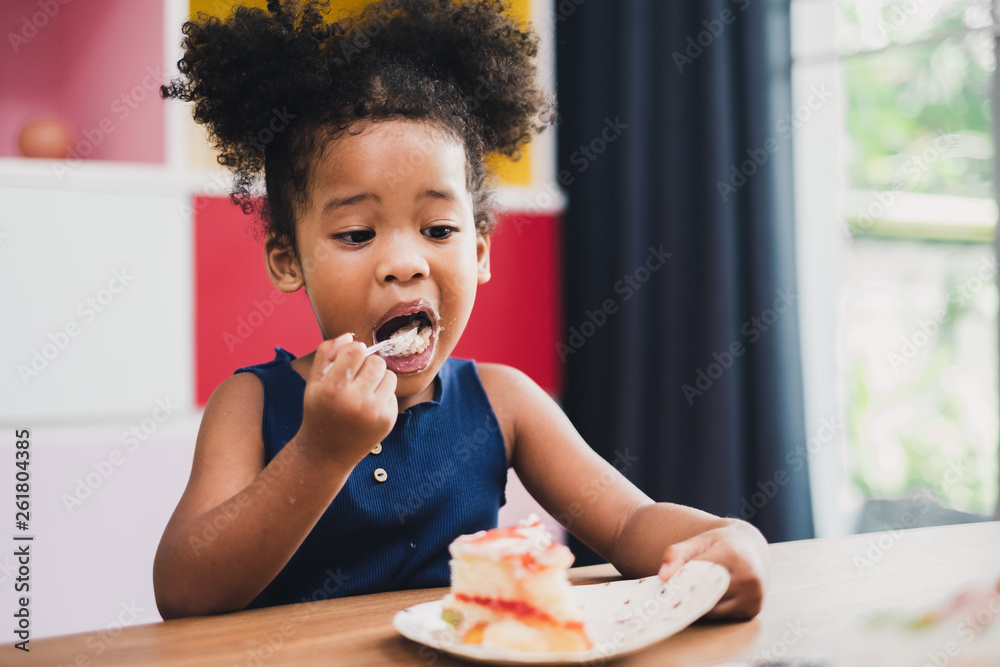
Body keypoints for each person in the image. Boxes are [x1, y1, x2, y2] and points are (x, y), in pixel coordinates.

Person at [153, 0, 768, 621]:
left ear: (479, 254)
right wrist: (320, 451)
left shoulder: (505, 402)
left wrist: (724, 540)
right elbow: (184, 591)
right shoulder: (252, 405)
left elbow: (631, 520)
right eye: (357, 234)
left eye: (439, 229)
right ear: (289, 261)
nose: (405, 263)